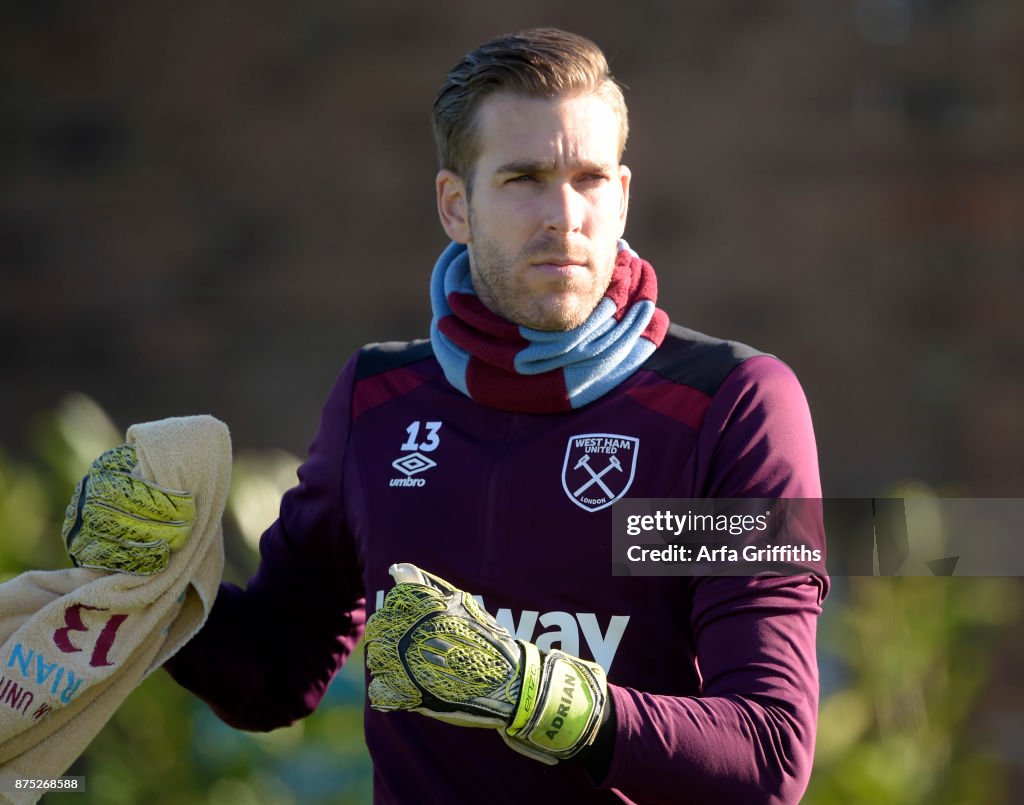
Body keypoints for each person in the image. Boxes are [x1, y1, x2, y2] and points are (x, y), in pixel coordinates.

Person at [64, 28, 828, 804]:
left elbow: (766, 753)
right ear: (455, 206)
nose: (565, 214)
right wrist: (156, 587)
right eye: (524, 177)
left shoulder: (727, 406)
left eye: (590, 178)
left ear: (623, 194)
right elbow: (274, 674)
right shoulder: (382, 402)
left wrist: (542, 698)